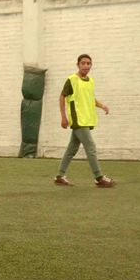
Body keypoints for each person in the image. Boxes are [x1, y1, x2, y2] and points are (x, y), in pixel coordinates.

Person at [54, 54, 115, 188]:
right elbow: (62, 97)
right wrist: (63, 117)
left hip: (86, 120)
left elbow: (90, 99)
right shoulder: (72, 80)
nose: (86, 66)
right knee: (91, 147)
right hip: (78, 120)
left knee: (72, 148)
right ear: (78, 65)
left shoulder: (90, 81)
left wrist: (102, 105)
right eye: (83, 63)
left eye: (88, 63)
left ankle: (59, 176)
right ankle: (99, 177)